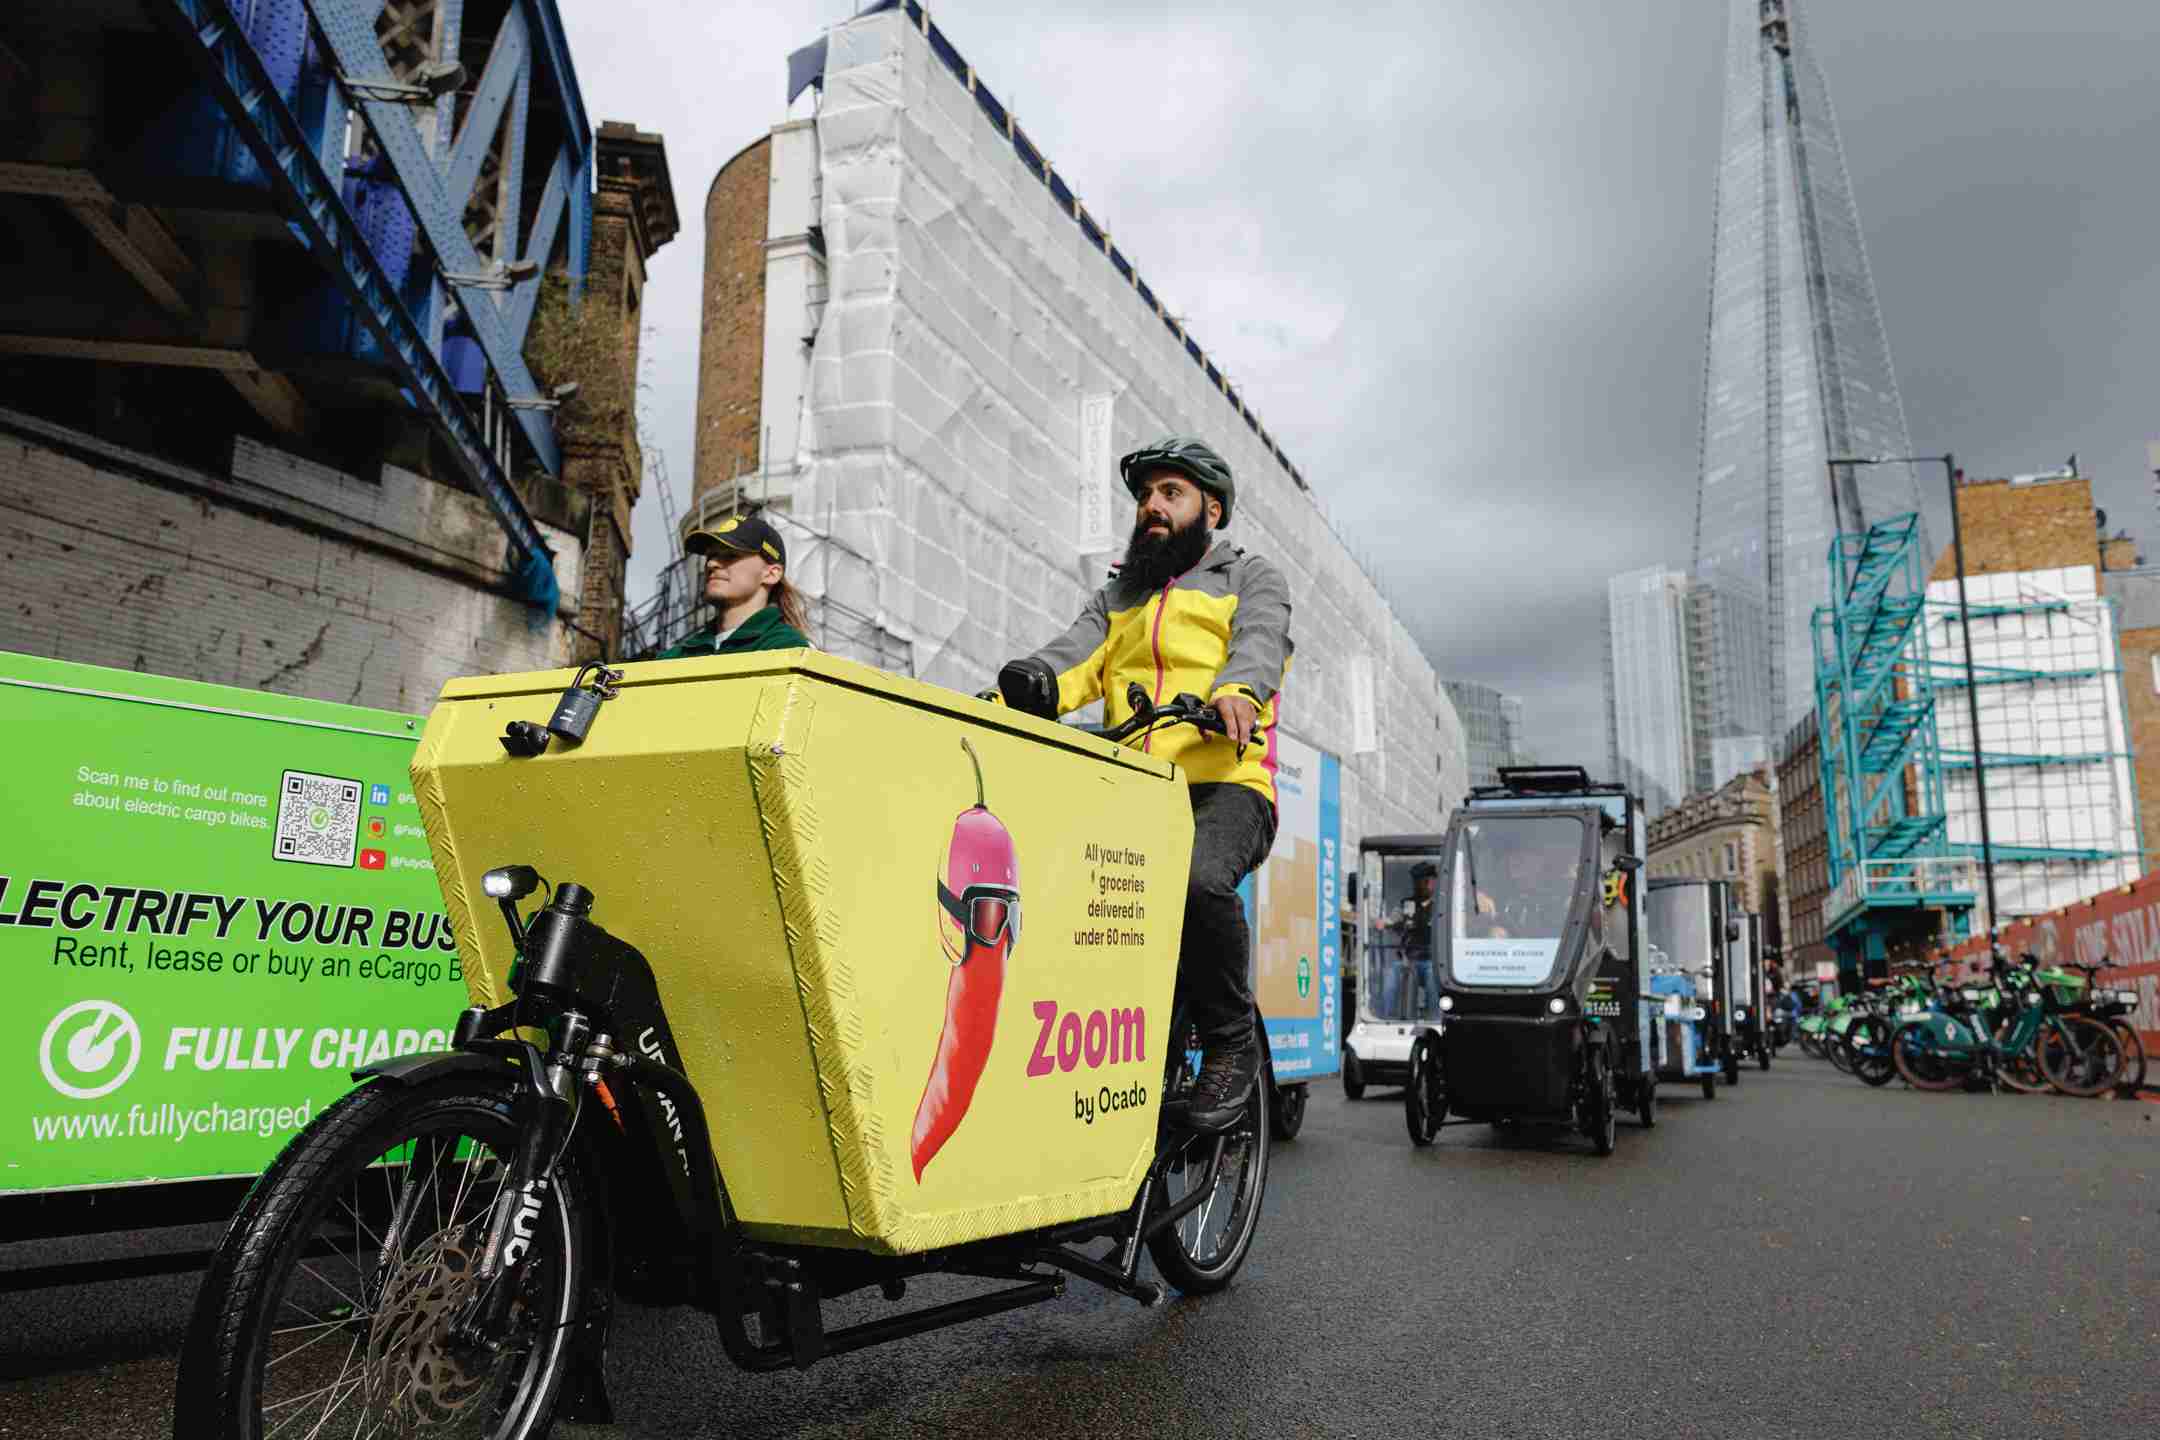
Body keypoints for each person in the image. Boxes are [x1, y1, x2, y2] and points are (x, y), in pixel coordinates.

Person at [988, 435, 1291, 1133]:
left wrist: (1237, 692)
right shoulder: (1119, 594)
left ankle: (1230, 1041)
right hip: (1132, 789)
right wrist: (1003, 699)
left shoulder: (1250, 577)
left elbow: (1261, 643)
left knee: (1198, 882)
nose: (1151, 506)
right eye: (1145, 496)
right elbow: (1067, 662)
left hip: (1226, 783)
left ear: (1210, 508)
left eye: (1170, 494)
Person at [656, 513, 812, 658]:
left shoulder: (786, 647)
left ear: (771, 574)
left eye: (731, 555)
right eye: (711, 556)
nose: (711, 563)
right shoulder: (678, 654)